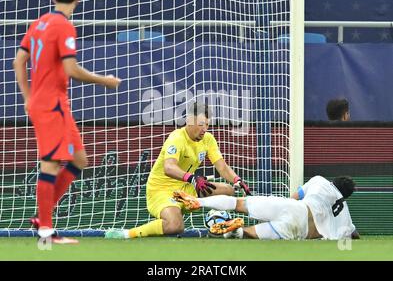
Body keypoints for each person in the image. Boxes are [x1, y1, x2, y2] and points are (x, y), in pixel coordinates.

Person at [13, 0, 121, 244]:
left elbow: (18, 61)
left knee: (79, 159)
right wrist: (103, 80)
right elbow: (71, 69)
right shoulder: (64, 26)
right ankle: (46, 231)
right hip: (51, 104)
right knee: (50, 163)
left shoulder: (39, 23)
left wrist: (28, 96)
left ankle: (43, 217)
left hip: (51, 102)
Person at [105, 102, 251, 239]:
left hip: (187, 188)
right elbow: (169, 167)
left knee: (228, 191)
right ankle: (127, 234)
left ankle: (220, 225)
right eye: (201, 124)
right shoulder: (176, 138)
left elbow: (222, 167)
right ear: (189, 121)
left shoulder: (208, 139)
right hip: (161, 190)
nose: (204, 129)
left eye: (207, 124)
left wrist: (237, 180)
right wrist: (193, 178)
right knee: (175, 225)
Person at [173, 175, 359, 240]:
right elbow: (354, 235)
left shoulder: (320, 181)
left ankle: (199, 201)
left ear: (334, 181)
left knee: (238, 203)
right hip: (299, 231)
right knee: (248, 233)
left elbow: (294, 197)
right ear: (346, 197)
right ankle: (235, 231)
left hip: (294, 208)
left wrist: (275, 208)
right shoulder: (346, 214)